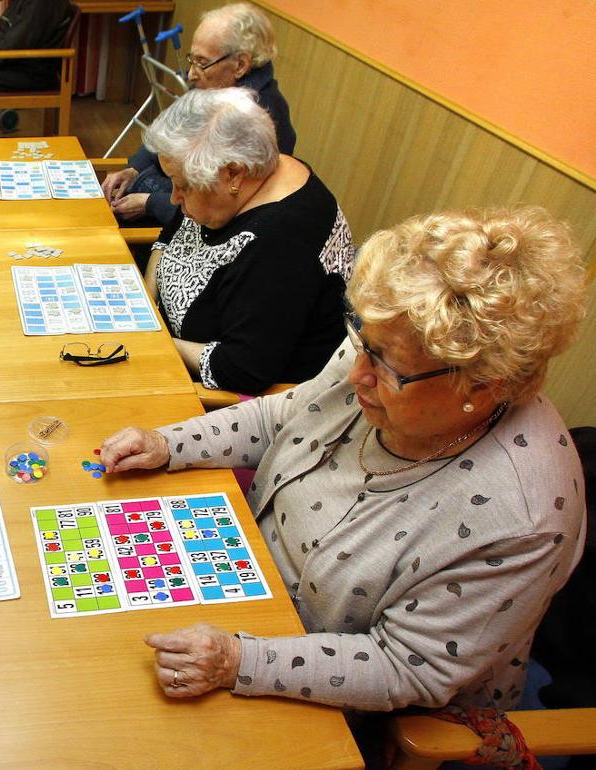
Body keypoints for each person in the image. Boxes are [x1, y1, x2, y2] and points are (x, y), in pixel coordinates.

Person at [99, 206, 588, 714]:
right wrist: (168, 443)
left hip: (335, 690)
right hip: (240, 576)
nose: (357, 375)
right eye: (362, 344)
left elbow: (401, 667)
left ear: (484, 387)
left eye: (385, 366)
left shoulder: (521, 518)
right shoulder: (387, 347)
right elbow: (279, 417)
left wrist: (235, 660)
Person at [142, 87, 352, 394]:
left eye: (182, 187)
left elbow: (241, 370)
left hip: (225, 400)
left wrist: (155, 341)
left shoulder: (280, 244)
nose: (174, 198)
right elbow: (172, 235)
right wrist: (147, 300)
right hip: (164, 342)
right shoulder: (236, 179)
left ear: (235, 175)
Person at [101, 2, 296, 227]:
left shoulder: (261, 119)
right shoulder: (213, 86)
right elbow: (167, 136)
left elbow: (223, 209)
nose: (192, 75)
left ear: (240, 65)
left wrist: (151, 203)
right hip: (159, 195)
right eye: (191, 60)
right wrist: (133, 169)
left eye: (202, 63)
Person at [0, 0, 75, 135]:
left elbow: (13, 44)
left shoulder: (41, 4)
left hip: (32, 71)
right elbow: (0, 29)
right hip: (17, 64)